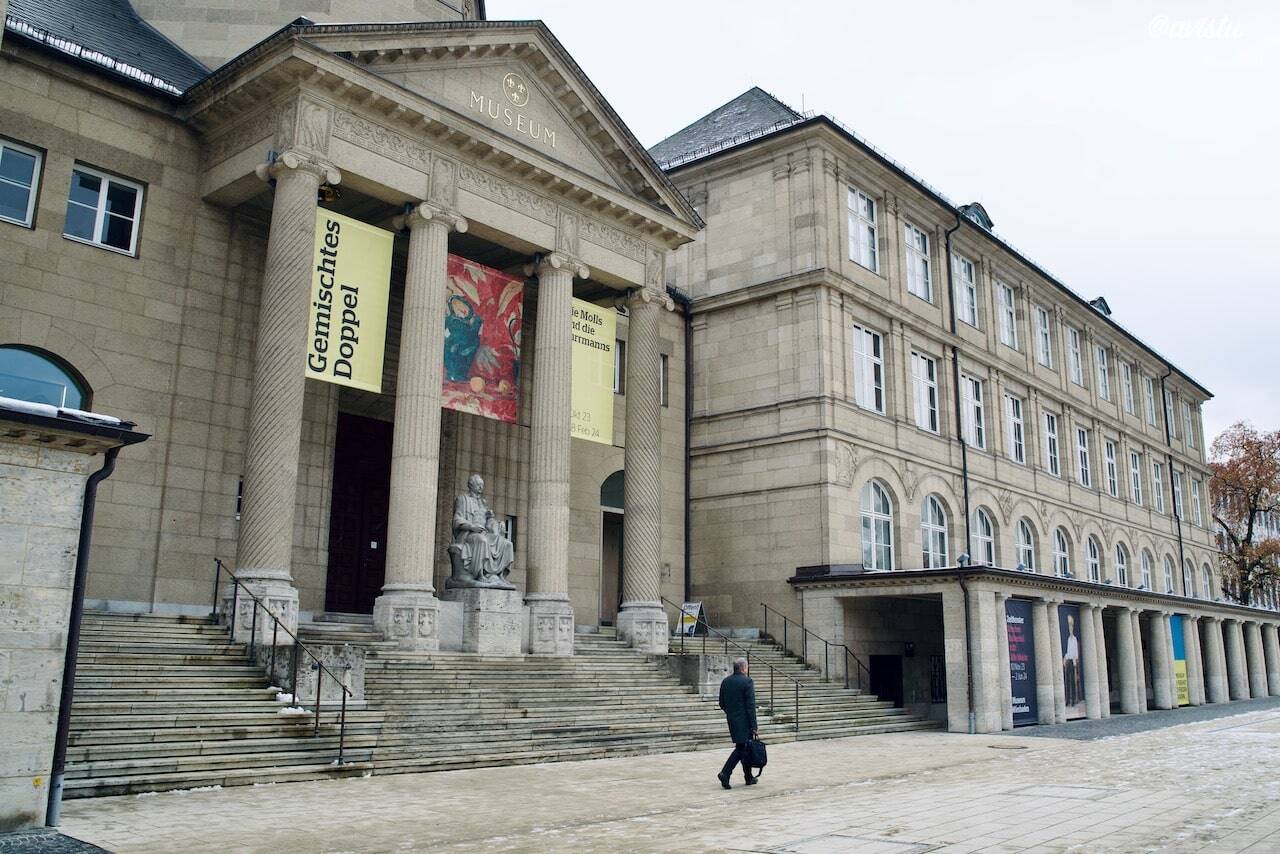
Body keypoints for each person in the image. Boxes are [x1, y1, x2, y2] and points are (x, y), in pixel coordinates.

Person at [717, 657, 758, 789]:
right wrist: (754, 725)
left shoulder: (725, 681)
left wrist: (732, 713)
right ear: (743, 668)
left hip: (732, 720)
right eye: (747, 667)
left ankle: (748, 777)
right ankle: (725, 773)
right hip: (745, 722)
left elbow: (721, 703)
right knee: (741, 749)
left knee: (744, 748)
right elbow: (750, 706)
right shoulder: (747, 682)